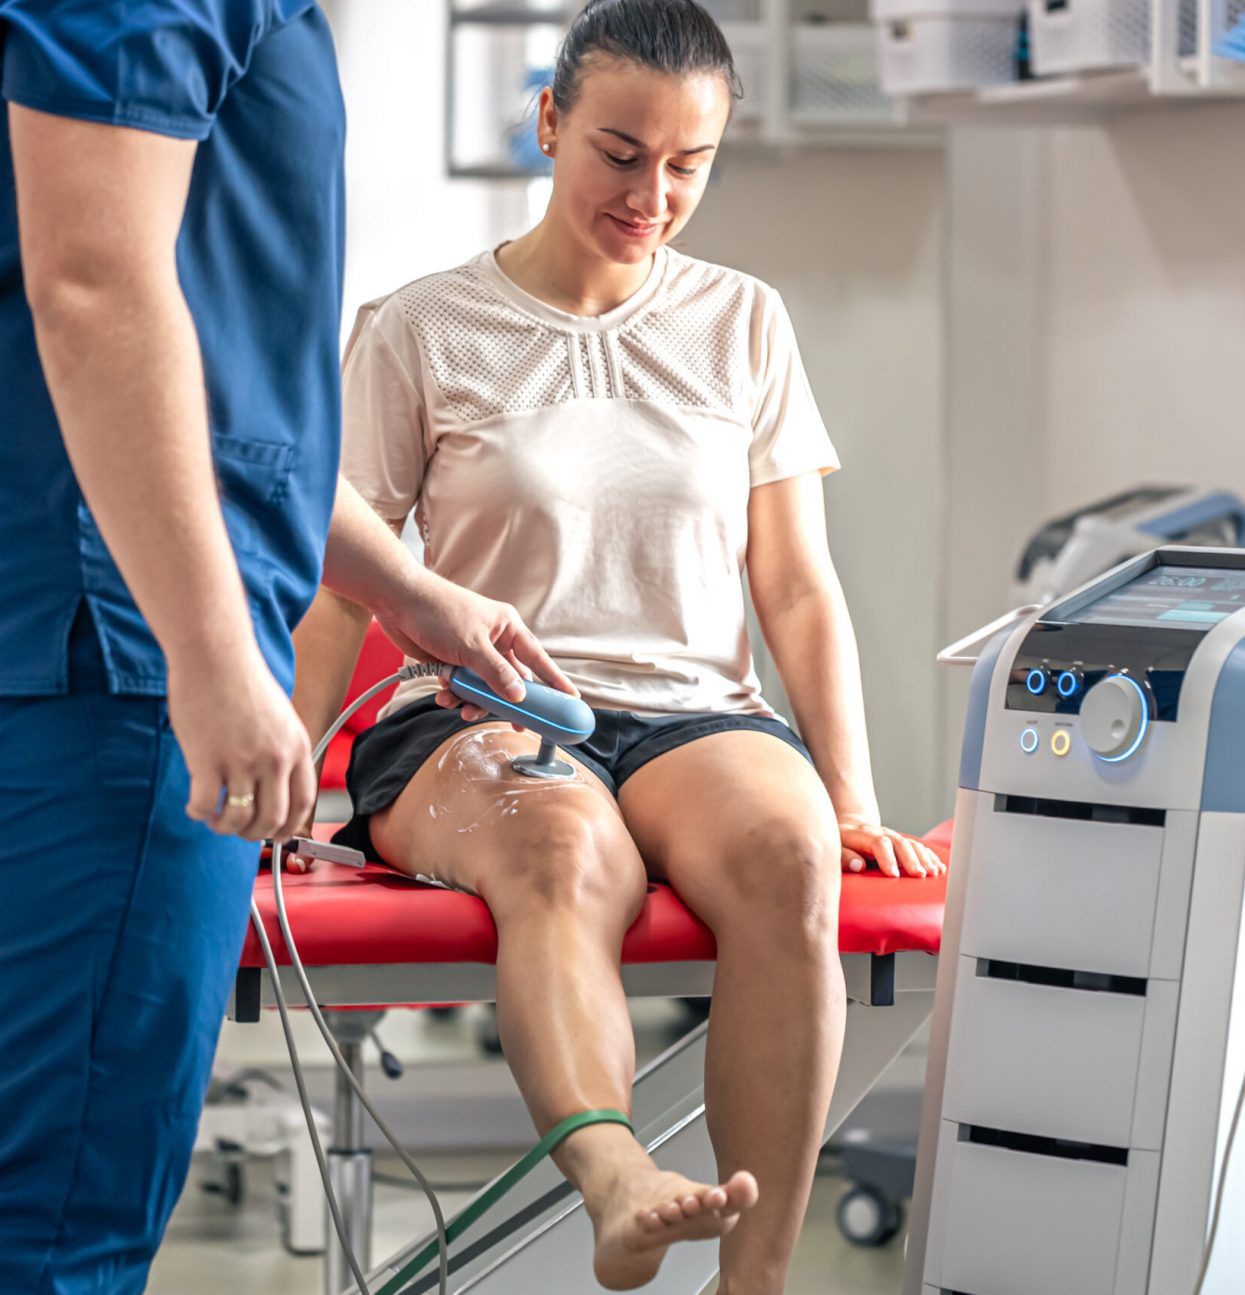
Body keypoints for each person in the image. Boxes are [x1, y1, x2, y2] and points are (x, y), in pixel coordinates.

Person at [293, 1, 946, 1290]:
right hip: (478, 710)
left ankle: (751, 1281)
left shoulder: (744, 321)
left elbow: (798, 588)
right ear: (547, 123)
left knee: (785, 850)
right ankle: (617, 1177)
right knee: (557, 849)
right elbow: (341, 583)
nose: (652, 193)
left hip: (695, 709)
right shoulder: (421, 328)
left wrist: (852, 794)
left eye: (688, 165)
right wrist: (286, 758)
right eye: (619, 151)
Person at [0, 3, 568, 1291]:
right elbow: (93, 292)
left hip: (94, 610)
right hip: (109, 648)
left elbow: (209, 385)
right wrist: (207, 660)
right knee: (61, 1212)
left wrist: (411, 591)